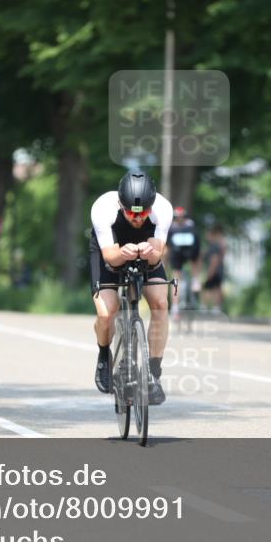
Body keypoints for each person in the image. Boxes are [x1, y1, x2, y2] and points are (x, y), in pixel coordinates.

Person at [89, 171, 173, 404]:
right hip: (111, 249)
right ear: (120, 205)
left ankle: (153, 372)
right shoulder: (103, 208)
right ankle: (104, 355)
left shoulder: (163, 209)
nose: (137, 218)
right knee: (107, 312)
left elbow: (156, 257)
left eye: (143, 213)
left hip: (146, 248)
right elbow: (110, 257)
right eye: (131, 213)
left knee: (160, 303)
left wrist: (150, 253)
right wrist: (121, 253)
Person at [166, 206, 201, 315]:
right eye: (178, 217)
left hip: (190, 252)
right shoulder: (172, 227)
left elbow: (197, 243)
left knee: (196, 257)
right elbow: (168, 245)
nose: (180, 219)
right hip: (177, 254)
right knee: (176, 277)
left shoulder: (190, 225)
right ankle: (175, 305)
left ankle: (195, 279)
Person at [200, 223, 227, 312]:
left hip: (214, 270)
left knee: (208, 288)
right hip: (219, 269)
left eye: (208, 234)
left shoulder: (214, 245)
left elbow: (214, 260)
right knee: (217, 288)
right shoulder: (216, 245)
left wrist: (210, 272)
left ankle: (206, 307)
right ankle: (216, 308)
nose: (207, 235)